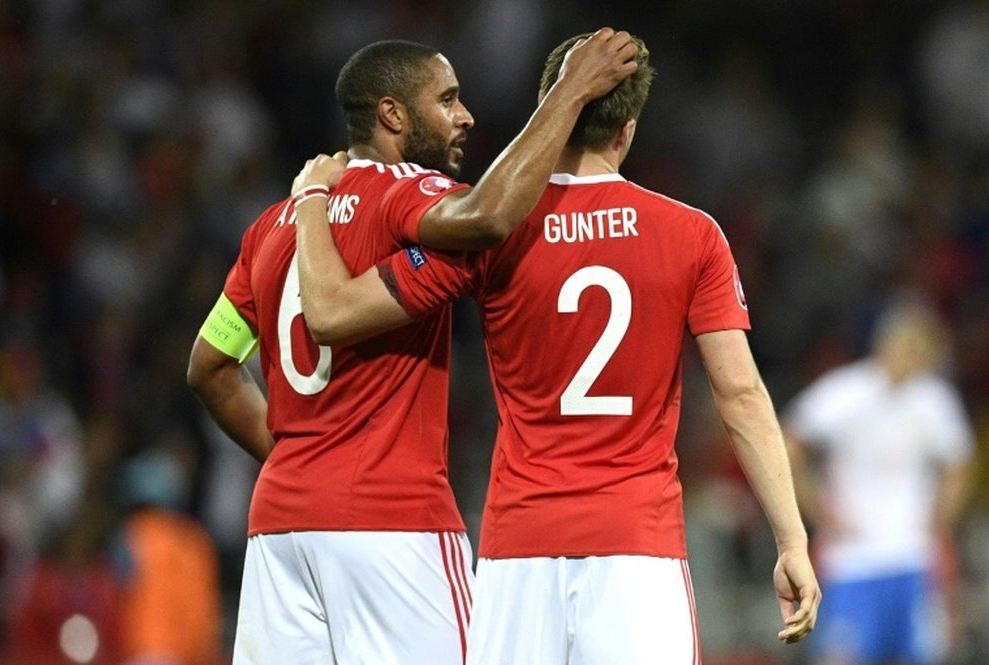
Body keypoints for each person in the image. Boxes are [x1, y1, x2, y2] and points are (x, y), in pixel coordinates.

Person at [291, 32, 820, 665]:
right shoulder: (693, 234)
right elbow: (739, 395)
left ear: (552, 112)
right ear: (626, 130)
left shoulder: (487, 236)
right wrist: (791, 541)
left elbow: (338, 312)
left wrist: (314, 206)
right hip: (636, 546)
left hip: (519, 547)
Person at [186, 30, 638, 665]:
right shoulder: (405, 190)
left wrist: (302, 462)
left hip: (281, 529)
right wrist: (567, 95)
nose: (466, 116)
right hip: (390, 523)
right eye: (448, 99)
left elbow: (209, 367)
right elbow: (486, 216)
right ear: (393, 115)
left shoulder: (269, 226)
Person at [782, 300, 974, 665]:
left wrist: (939, 523)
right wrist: (818, 510)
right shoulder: (846, 392)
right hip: (853, 558)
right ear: (884, 343)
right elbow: (788, 444)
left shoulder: (933, 399)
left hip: (913, 557)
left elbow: (959, 463)